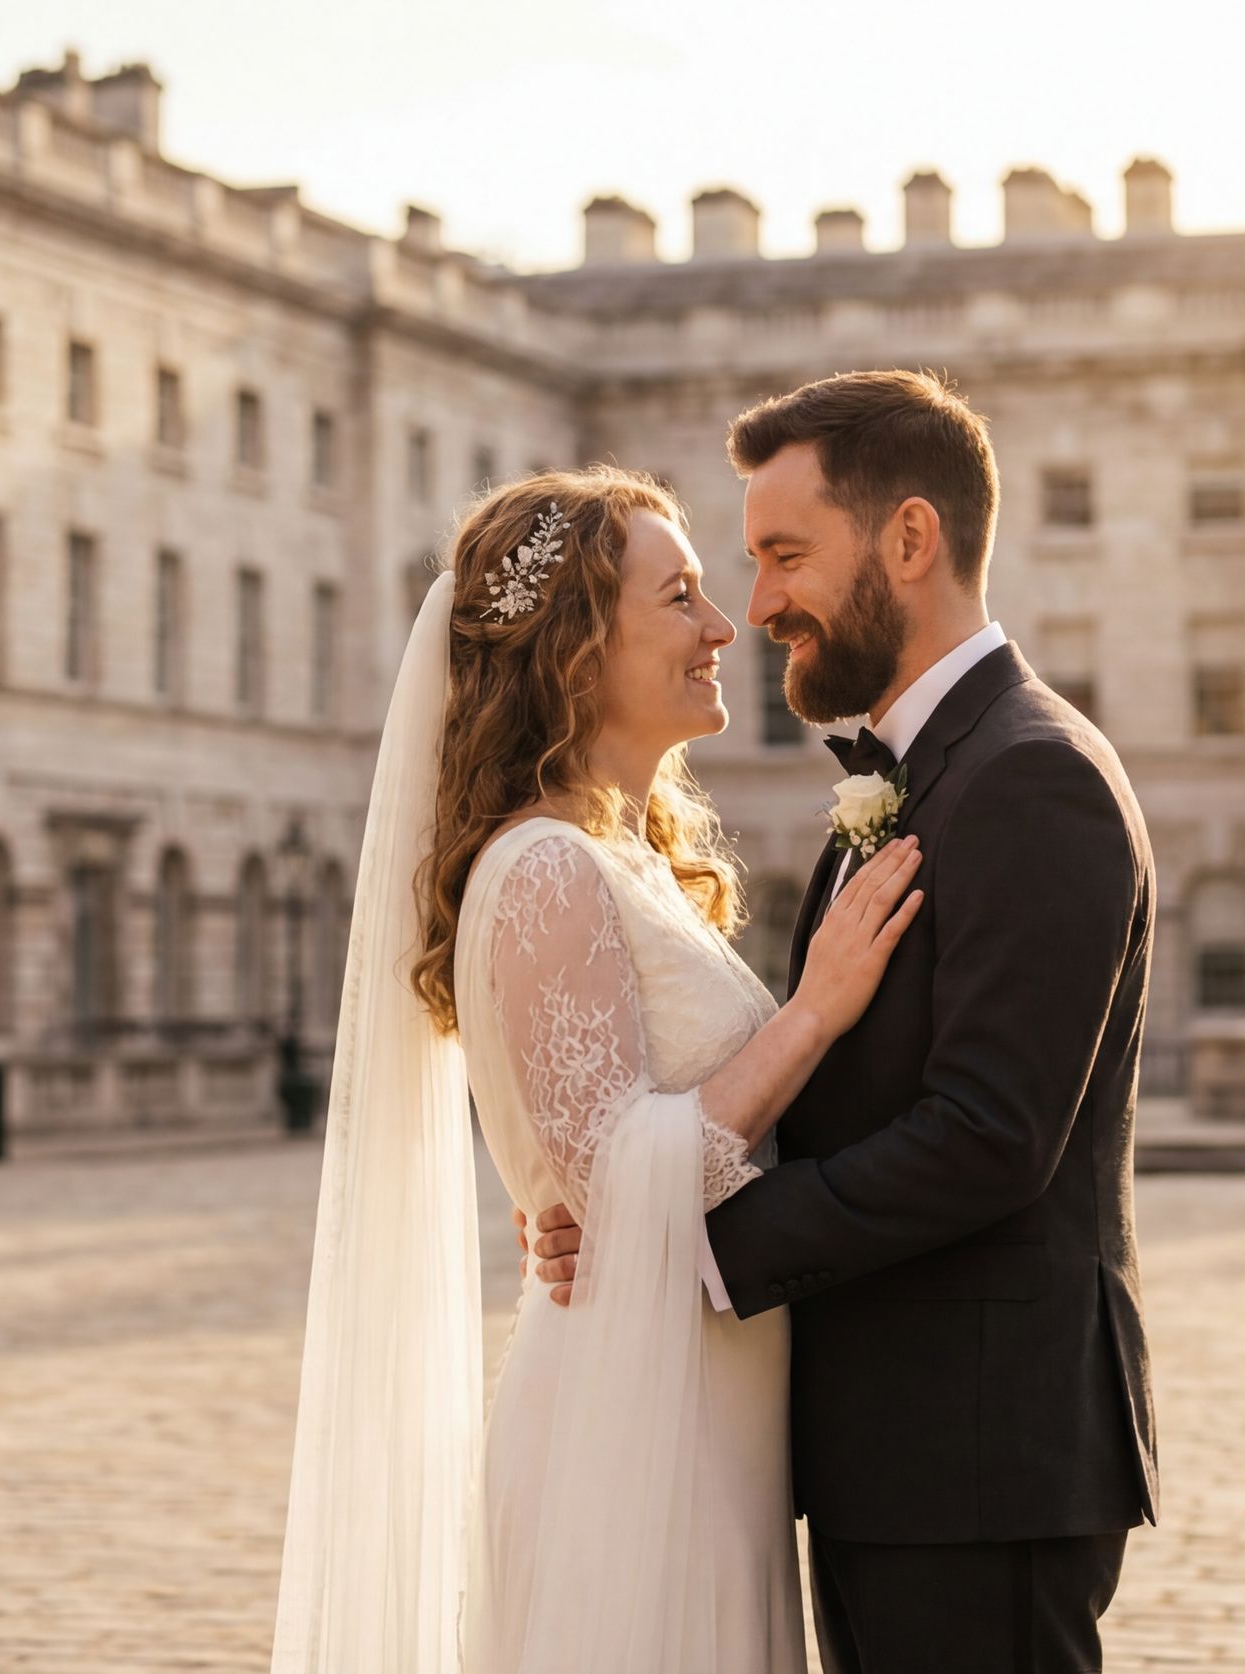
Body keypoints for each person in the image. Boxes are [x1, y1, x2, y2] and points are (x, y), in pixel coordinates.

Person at [527, 370, 1160, 1673]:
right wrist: (633, 1181)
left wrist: (694, 1244)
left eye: (784, 556)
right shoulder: (925, 772)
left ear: (911, 540)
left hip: (979, 1456)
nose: (757, 608)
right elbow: (846, 1085)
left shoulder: (1032, 775)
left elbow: (989, 1133)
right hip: (905, 1448)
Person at [270, 463, 923, 1673]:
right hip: (632, 1437)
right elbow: (623, 1188)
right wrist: (817, 1011)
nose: (723, 625)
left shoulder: (614, 857)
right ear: (578, 650)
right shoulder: (543, 870)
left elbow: (610, 1163)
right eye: (680, 598)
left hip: (695, 1406)